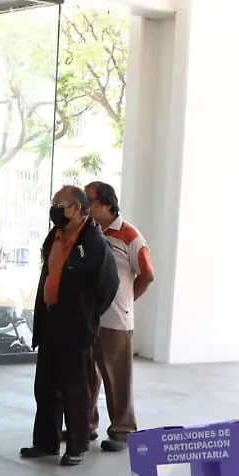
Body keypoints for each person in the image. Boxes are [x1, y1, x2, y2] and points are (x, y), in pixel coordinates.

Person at [21, 185, 119, 466]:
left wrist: (88, 314)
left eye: (59, 205)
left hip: (76, 326)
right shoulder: (55, 235)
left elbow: (108, 285)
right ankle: (46, 442)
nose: (54, 210)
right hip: (50, 320)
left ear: (76, 208)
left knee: (75, 389)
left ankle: (76, 446)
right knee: (45, 386)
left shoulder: (94, 242)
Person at [84, 181, 154, 453]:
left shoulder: (130, 236)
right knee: (86, 376)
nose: (85, 206)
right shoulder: (88, 232)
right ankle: (85, 425)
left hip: (115, 320)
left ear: (106, 204)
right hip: (88, 317)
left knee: (117, 377)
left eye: (89, 200)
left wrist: (126, 300)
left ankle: (123, 430)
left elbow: (147, 274)